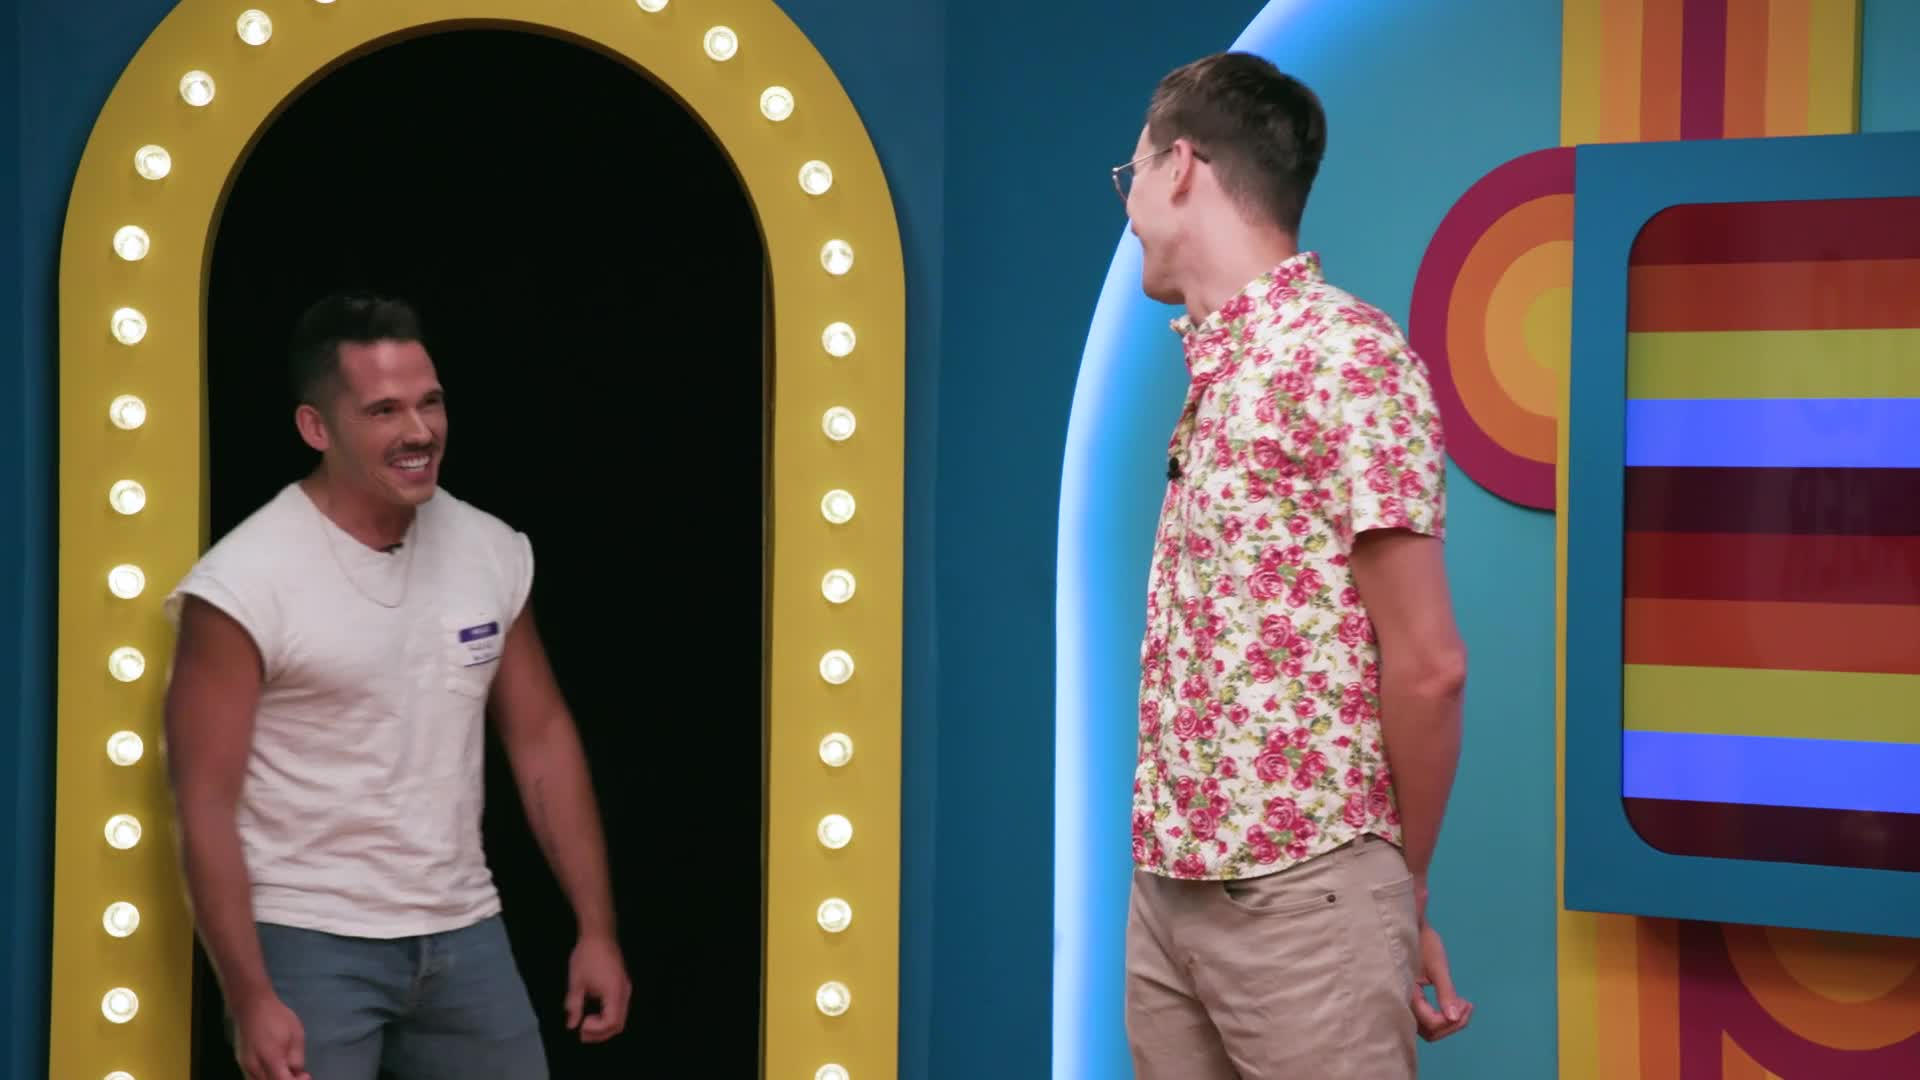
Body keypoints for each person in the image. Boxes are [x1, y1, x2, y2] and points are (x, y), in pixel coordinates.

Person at [162, 292, 631, 1080]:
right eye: (384, 410)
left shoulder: (489, 548)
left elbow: (541, 738)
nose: (419, 431)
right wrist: (249, 995)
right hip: (307, 936)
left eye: (430, 402)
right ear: (317, 428)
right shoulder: (242, 584)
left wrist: (597, 930)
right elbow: (203, 801)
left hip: (465, 929)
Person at [1114, 53, 1473, 1078]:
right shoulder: (1219, 369)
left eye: (1131, 175)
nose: (1127, 209)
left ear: (1181, 166)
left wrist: (1396, 891)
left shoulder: (1346, 355)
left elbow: (1430, 665)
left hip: (1302, 899)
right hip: (1168, 892)